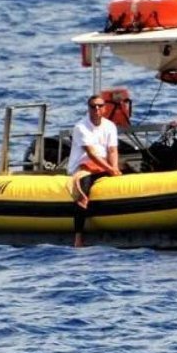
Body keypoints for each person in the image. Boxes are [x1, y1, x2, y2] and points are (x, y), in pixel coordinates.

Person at [67, 94, 120, 245]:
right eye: (93, 106)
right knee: (82, 194)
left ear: (105, 108)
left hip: (103, 166)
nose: (97, 109)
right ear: (88, 109)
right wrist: (110, 169)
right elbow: (91, 153)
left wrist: (114, 168)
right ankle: (78, 237)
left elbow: (112, 150)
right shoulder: (81, 127)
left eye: (100, 106)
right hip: (84, 167)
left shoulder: (110, 126)